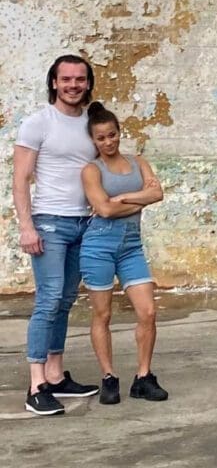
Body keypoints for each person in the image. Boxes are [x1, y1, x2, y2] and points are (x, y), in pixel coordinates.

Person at [14, 55, 101, 415]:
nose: (73, 85)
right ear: (54, 82)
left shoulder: (92, 123)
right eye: (66, 79)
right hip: (49, 221)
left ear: (87, 83)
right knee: (48, 300)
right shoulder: (38, 123)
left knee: (65, 301)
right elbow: (20, 178)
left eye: (79, 79)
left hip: (84, 222)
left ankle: (55, 373)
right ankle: (36, 384)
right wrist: (26, 226)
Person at [79, 102, 168, 404]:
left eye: (112, 135)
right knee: (103, 314)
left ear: (119, 133)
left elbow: (158, 192)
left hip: (131, 247)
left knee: (148, 312)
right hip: (98, 247)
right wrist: (139, 200)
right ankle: (108, 377)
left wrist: (125, 197)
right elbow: (103, 209)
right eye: (101, 138)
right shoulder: (92, 170)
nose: (108, 142)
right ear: (93, 140)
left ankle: (143, 376)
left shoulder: (137, 161)